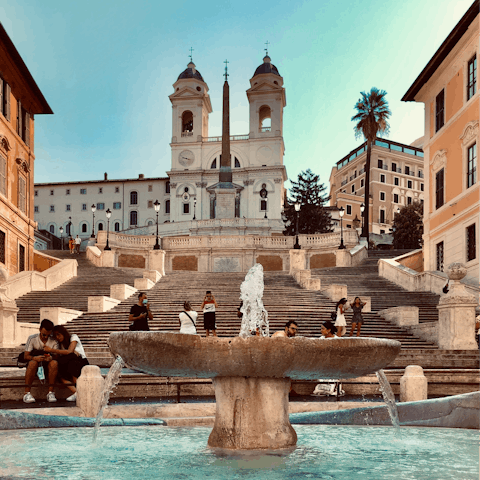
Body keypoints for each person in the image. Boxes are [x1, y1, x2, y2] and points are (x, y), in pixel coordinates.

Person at [44, 325, 89, 402]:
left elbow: (69, 352)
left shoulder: (73, 337)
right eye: (55, 336)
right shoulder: (60, 344)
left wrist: (51, 350)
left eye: (59, 334)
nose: (58, 337)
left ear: (63, 332)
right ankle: (76, 392)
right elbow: (62, 355)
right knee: (59, 370)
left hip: (80, 361)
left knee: (71, 358)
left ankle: (78, 392)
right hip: (68, 363)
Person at [23, 319, 59, 404]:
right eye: (44, 334)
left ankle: (50, 393)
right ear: (39, 330)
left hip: (48, 365)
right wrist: (35, 358)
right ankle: (26, 393)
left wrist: (50, 357)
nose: (46, 337)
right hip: (35, 363)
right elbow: (26, 356)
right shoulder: (32, 338)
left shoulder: (54, 340)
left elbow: (56, 356)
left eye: (48, 335)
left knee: (54, 363)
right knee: (32, 363)